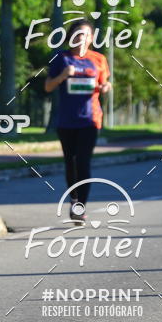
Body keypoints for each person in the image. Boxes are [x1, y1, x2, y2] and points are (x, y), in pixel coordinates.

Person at [45, 18, 111, 223]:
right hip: (66, 120)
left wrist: (106, 87)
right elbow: (48, 86)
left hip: (90, 119)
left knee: (83, 162)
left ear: (91, 38)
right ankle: (73, 198)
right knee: (70, 162)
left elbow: (105, 83)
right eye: (78, 34)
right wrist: (63, 75)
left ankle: (80, 207)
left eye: (86, 35)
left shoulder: (98, 59)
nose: (81, 38)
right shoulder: (60, 58)